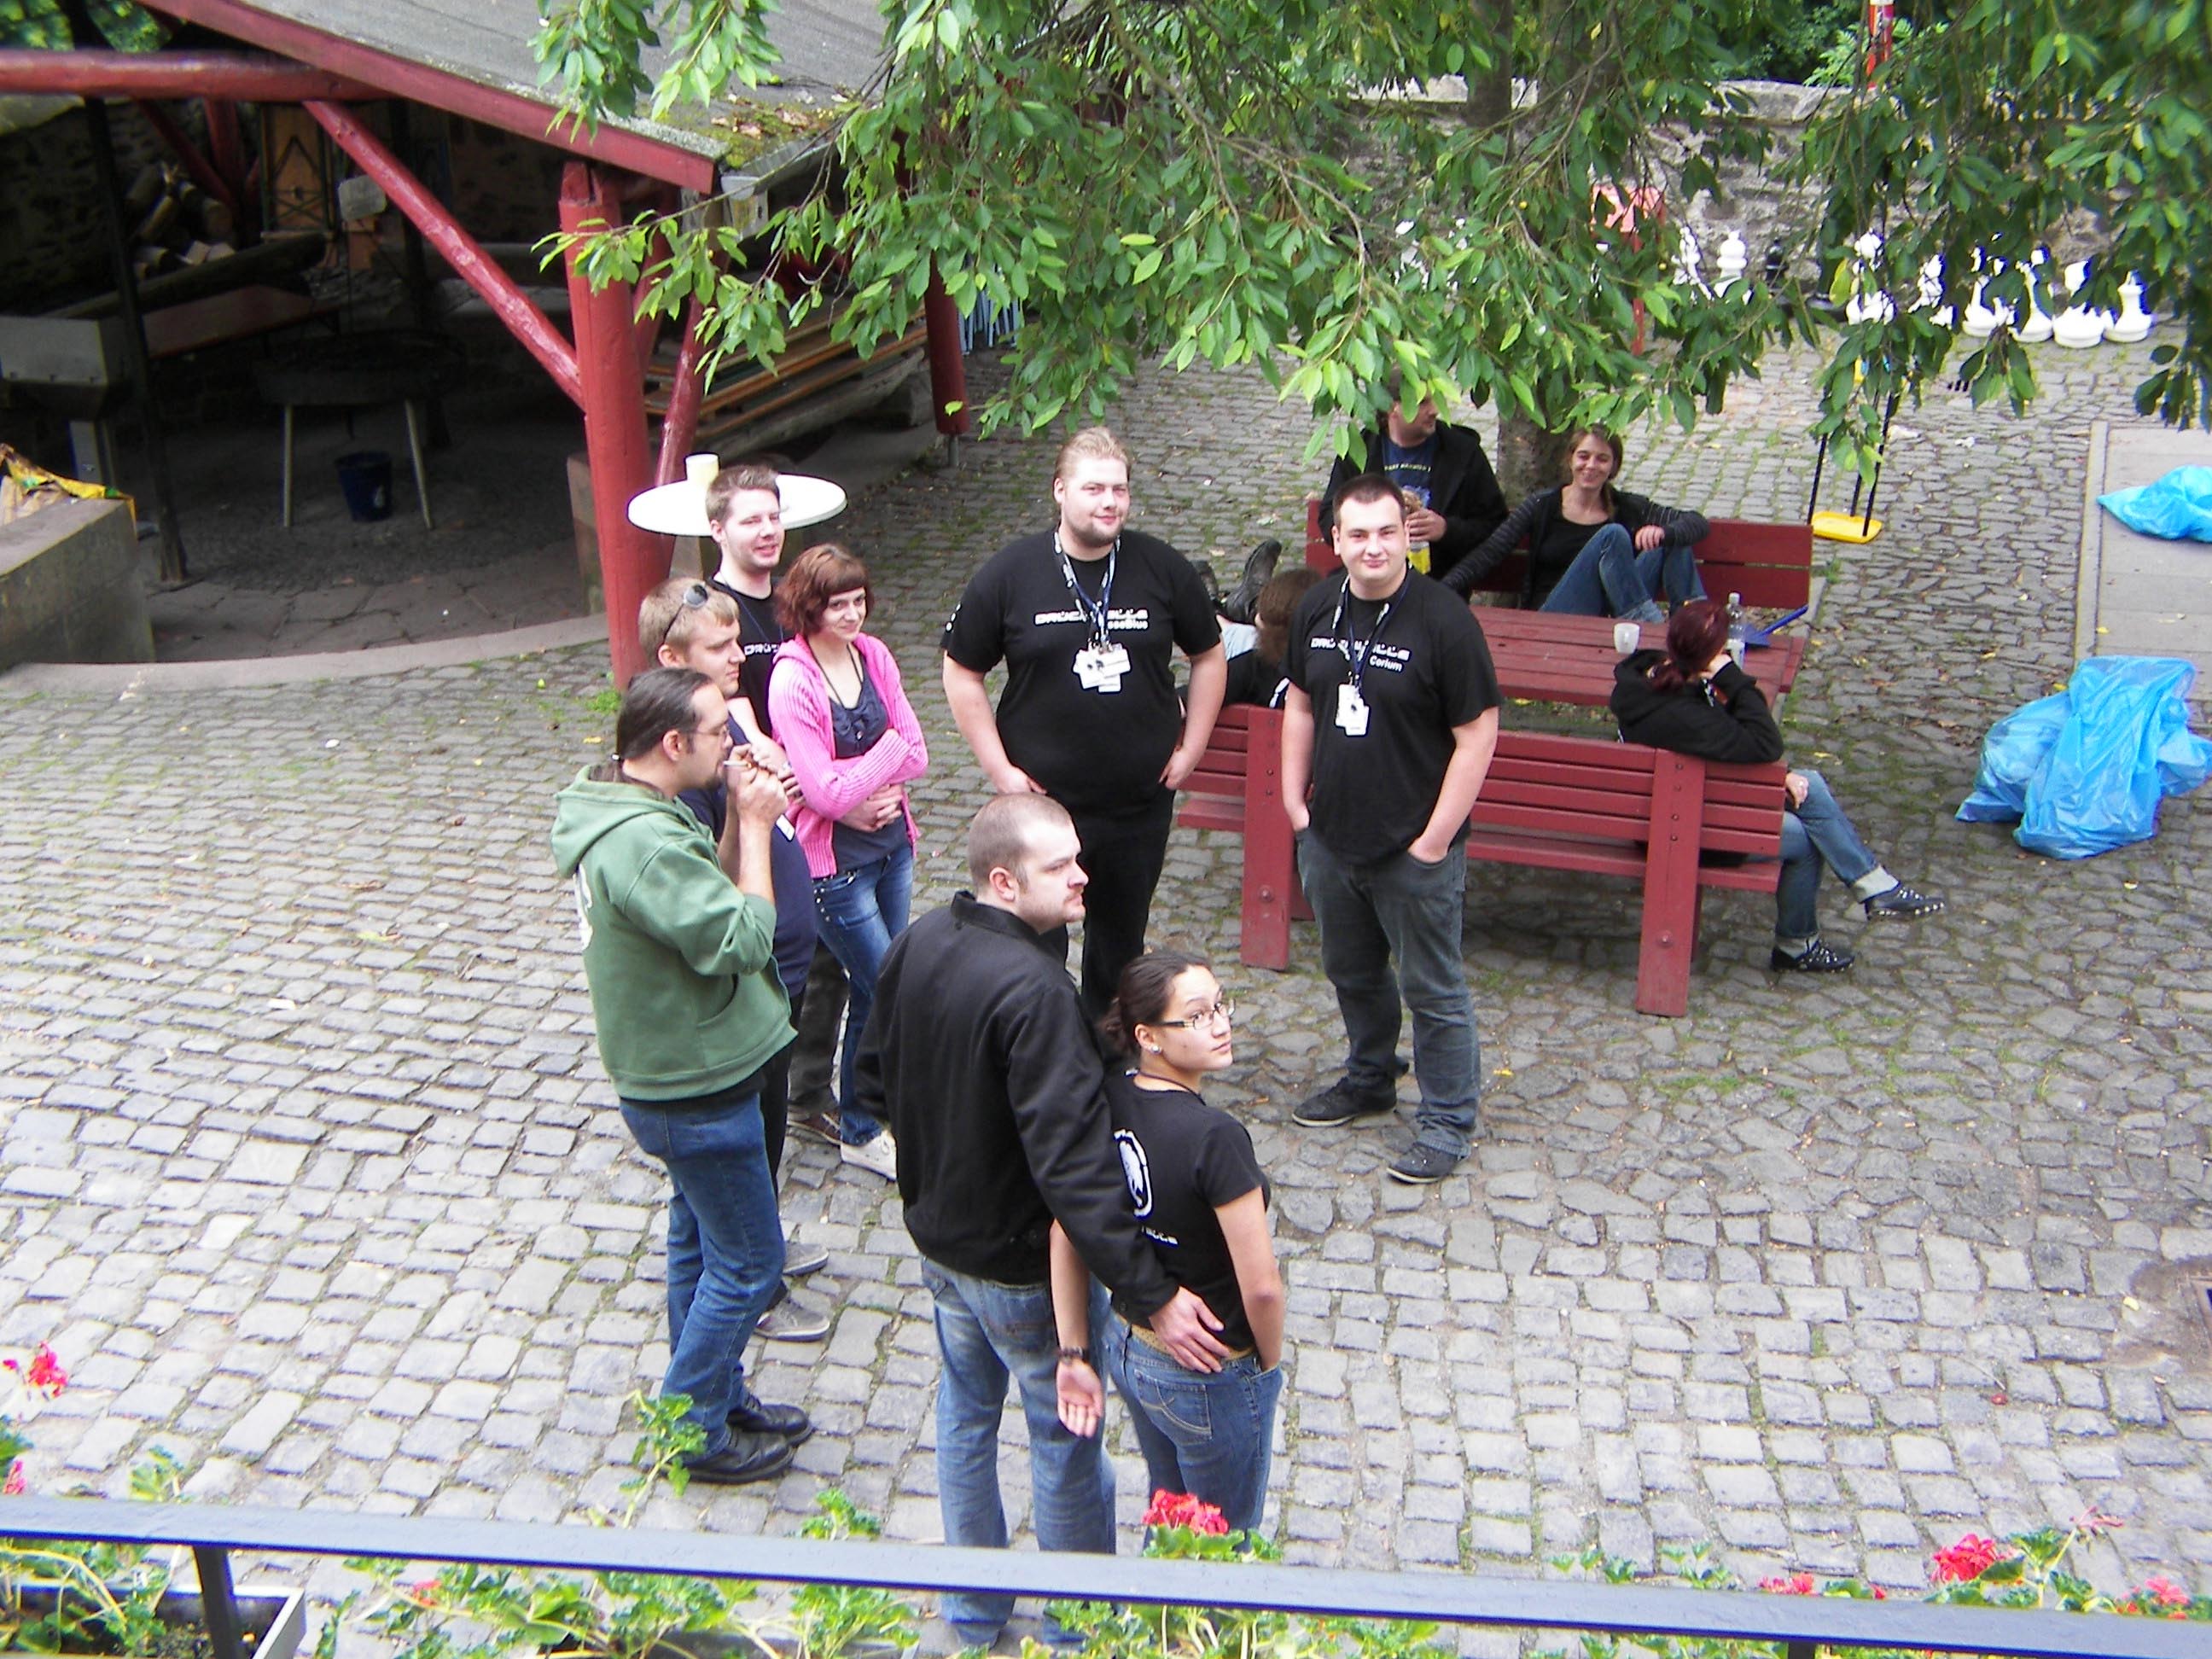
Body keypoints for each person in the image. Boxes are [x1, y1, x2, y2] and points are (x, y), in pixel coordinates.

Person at [853, 793, 1231, 1649]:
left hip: (939, 1244)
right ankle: (1076, 1625)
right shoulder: (1036, 992)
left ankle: (973, 1611)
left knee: (964, 1415)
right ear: (1003, 881)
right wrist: (1152, 1295)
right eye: (1059, 866)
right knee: (1066, 1434)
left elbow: (870, 1082)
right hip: (1022, 1272)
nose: (1082, 876)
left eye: (1077, 858)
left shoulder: (919, 940)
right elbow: (1074, 1169)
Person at [549, 667, 812, 1485]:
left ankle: (715, 1394)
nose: (732, 742)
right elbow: (741, 939)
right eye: (718, 732)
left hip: (687, 1075)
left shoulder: (633, 807)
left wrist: (734, 815)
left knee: (700, 1244)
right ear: (673, 743)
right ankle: (690, 1426)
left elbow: (711, 896)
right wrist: (760, 829)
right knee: (752, 1263)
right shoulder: (647, 843)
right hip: (695, 1088)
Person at [942, 426, 1228, 1016]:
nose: (1109, 502)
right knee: (1034, 950)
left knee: (1119, 951)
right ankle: (1036, 1045)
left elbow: (1209, 655)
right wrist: (999, 770)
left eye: (1119, 490)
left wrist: (1193, 747)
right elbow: (961, 671)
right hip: (1043, 807)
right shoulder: (1011, 573)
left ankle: (1108, 1051)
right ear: (1060, 491)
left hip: (1137, 805)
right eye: (1094, 489)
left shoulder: (1162, 568)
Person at [1283, 474, 1502, 1185]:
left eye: (1387, 532)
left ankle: (1446, 1121)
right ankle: (1370, 1078)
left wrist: (1434, 840)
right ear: (1335, 540)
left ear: (1407, 535)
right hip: (1330, 835)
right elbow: (1302, 705)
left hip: (1414, 844)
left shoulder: (1445, 621)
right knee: (1350, 971)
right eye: (1358, 534)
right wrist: (1294, 804)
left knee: (1432, 989)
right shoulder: (1318, 607)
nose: (1373, 547)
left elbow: (1478, 735)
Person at [641, 579, 832, 1341]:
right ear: (671, 658)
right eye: (719, 647)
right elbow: (712, 894)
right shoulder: (680, 760)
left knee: (765, 1137)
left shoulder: (724, 725)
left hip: (782, 971)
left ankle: (762, 1243)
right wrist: (750, 816)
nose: (738, 656)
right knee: (744, 1145)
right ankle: (754, 1280)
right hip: (748, 981)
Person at [1049, 950, 1284, 1536]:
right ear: (1147, 1036)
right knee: (1222, 1542)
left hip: (1134, 1349)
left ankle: (1156, 1598)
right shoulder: (1217, 1139)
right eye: (1197, 1016)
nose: (1220, 1025)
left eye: (1221, 1006)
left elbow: (1069, 1228)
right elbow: (1261, 1289)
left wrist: (1074, 1349)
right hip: (1210, 1369)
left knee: (1172, 1512)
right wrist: (1266, 1369)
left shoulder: (1110, 1098)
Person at [1610, 599, 1946, 972]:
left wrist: (1779, 778)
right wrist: (1731, 678)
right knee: (1806, 837)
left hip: (1664, 809)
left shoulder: (1644, 680)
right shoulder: (1686, 716)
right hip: (1679, 831)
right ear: (1714, 654)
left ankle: (1874, 887)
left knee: (1810, 786)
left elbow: (1711, 753)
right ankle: (1799, 944)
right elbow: (1766, 744)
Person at [702, 465, 869, 1159]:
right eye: (751, 520)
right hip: (767, 805)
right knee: (780, 948)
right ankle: (764, 1090)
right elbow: (732, 716)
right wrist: (806, 783)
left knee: (831, 956)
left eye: (774, 517)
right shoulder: (713, 614)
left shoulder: (794, 601)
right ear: (718, 530)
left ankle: (806, 1092)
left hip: (823, 801)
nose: (768, 531)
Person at [766, 544, 925, 1182]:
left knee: (872, 987)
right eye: (838, 605)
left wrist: (856, 781)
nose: (853, 614)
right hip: (833, 868)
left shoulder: (874, 656)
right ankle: (862, 1126)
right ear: (810, 608)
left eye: (859, 601)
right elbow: (825, 795)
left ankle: (868, 1115)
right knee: (885, 984)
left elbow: (919, 752)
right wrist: (881, 758)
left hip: (892, 847)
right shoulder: (793, 680)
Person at [1439, 424, 1708, 619]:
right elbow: (1489, 552)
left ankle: (1697, 627)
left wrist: (1664, 533)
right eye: (1583, 456)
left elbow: (1696, 523)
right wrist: (1437, 591)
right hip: (1556, 615)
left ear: (1613, 467)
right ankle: (1649, 625)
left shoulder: (1627, 506)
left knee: (1675, 540)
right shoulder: (1542, 505)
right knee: (1612, 536)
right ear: (1570, 460)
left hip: (1613, 614)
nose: (1591, 466)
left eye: (1602, 459)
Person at [1318, 380, 1507, 577]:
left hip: (1441, 582)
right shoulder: (1359, 450)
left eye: (1435, 400)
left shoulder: (1463, 452)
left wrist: (1446, 530)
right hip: (1370, 579)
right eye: (1422, 403)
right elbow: (1328, 519)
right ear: (1391, 407)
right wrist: (1370, 525)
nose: (1434, 410)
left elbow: (1496, 527)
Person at [1223, 566, 1324, 709]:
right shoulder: (1329, 670)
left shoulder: (1252, 667)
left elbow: (1197, 695)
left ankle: (1218, 610)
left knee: (1236, 634)